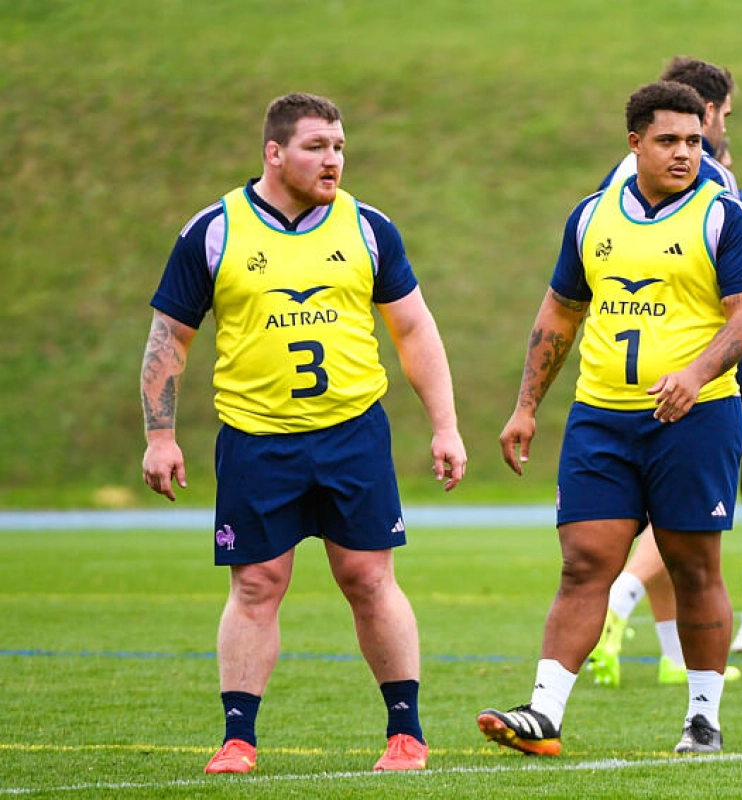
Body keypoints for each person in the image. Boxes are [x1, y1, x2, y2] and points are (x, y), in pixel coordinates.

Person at [140, 92, 468, 773]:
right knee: (257, 583)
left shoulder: (368, 228)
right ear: (274, 152)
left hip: (353, 434)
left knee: (369, 578)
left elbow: (413, 329)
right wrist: (161, 435)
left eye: (340, 147)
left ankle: (405, 734)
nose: (334, 160)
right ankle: (238, 739)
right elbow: (168, 338)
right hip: (257, 438)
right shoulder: (214, 230)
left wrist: (446, 425)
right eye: (317, 147)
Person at [477, 80, 742, 756]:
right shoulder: (591, 218)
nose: (685, 153)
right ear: (634, 142)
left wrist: (696, 377)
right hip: (602, 420)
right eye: (669, 140)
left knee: (693, 567)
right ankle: (544, 712)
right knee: (584, 564)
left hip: (697, 421)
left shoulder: (726, 218)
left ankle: (703, 718)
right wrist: (526, 407)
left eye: (695, 141)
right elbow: (560, 312)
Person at [587, 70, 742, 690]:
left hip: (619, 382)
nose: (712, 135)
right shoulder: (709, 178)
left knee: (664, 516)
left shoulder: (616, 185)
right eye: (725, 117)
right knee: (689, 525)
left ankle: (673, 654)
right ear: (707, 111)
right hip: (693, 376)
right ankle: (624, 599)